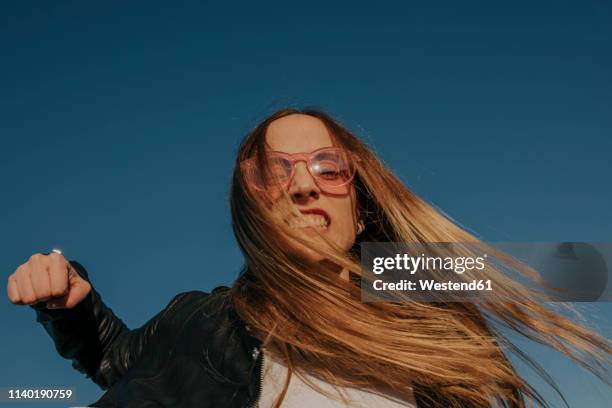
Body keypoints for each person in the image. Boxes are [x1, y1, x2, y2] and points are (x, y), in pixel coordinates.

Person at [7, 108, 611, 408]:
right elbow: (119, 360)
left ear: (360, 196)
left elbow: (564, 272)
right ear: (251, 204)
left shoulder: (413, 294)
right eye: (274, 172)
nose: (303, 186)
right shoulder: (207, 322)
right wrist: (74, 308)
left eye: (328, 167)